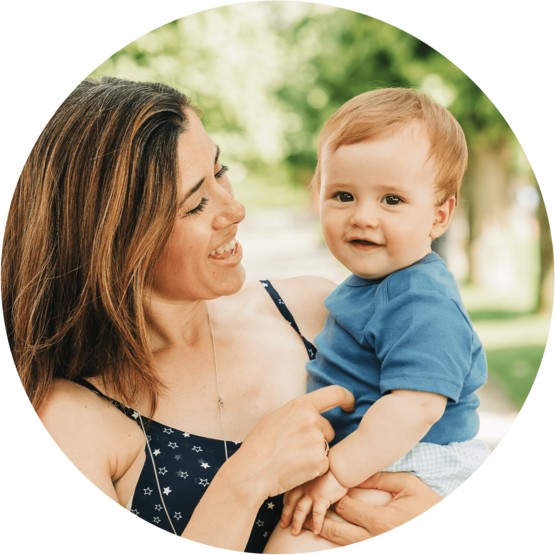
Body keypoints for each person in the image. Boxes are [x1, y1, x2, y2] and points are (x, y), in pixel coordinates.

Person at [2, 78, 443, 552]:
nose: (236, 209)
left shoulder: (317, 313)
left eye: (221, 170)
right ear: (116, 243)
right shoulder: (72, 420)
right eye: (196, 204)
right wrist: (245, 480)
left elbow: (436, 442)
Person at [265, 88, 492, 553]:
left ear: (440, 215)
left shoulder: (420, 297)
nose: (363, 217)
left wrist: (336, 474)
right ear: (317, 197)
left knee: (297, 541)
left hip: (412, 458)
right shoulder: (377, 286)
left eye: (392, 200)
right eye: (343, 195)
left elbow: (415, 407)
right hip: (382, 451)